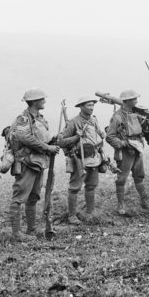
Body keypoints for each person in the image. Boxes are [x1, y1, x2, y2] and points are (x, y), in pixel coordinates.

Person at [8, 88, 60, 242]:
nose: (44, 101)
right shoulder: (23, 119)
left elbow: (41, 138)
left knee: (34, 197)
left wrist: (52, 141)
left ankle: (31, 230)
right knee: (19, 197)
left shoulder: (41, 118)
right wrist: (47, 147)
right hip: (26, 162)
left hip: (38, 162)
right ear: (34, 101)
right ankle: (17, 234)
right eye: (42, 99)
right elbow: (25, 138)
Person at [58, 96, 108, 224]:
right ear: (81, 106)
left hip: (94, 158)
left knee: (91, 186)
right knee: (75, 188)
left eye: (92, 105)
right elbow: (61, 141)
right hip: (79, 159)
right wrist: (76, 137)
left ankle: (90, 213)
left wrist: (102, 135)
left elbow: (97, 135)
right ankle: (72, 216)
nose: (91, 108)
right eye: (88, 105)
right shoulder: (73, 122)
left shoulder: (94, 120)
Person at [105, 90, 149, 215]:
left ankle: (144, 201)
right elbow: (110, 137)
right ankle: (121, 205)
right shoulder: (117, 117)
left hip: (137, 149)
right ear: (127, 101)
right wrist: (123, 144)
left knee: (139, 177)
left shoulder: (136, 114)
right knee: (121, 179)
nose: (136, 101)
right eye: (134, 99)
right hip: (125, 152)